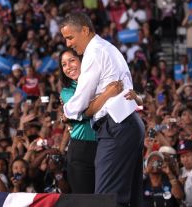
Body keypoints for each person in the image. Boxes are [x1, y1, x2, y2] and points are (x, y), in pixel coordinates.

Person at [60, 12, 144, 207]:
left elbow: (80, 101)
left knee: (106, 200)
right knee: (129, 199)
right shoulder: (107, 48)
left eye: (70, 37)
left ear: (85, 31)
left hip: (116, 126)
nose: (68, 44)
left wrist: (66, 111)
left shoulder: (95, 52)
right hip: (128, 124)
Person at [59, 48, 125, 194]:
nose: (68, 67)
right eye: (64, 64)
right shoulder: (67, 92)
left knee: (105, 199)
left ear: (83, 60)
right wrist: (107, 94)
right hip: (80, 150)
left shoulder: (100, 83)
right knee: (85, 200)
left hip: (106, 145)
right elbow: (85, 112)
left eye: (72, 60)